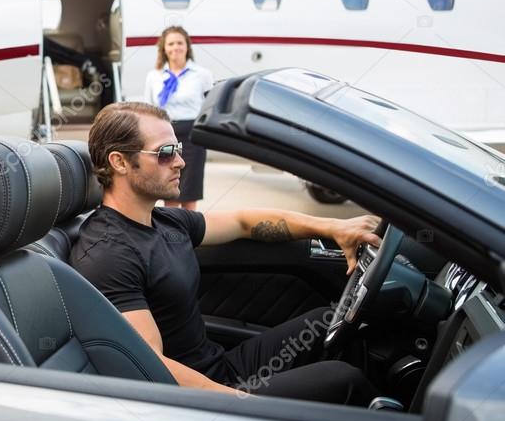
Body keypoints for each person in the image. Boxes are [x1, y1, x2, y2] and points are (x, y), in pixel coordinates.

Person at [71, 102, 381, 404]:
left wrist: (332, 227)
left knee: (333, 320)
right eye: (165, 153)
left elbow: (243, 222)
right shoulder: (108, 254)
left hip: (220, 370)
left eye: (178, 149)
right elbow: (150, 366)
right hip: (204, 397)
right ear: (119, 162)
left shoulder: (164, 220)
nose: (180, 162)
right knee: (343, 380)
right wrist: (237, 403)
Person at [142, 26, 212, 210]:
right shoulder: (154, 76)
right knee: (169, 186)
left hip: (192, 135)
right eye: (171, 43)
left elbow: (209, 106)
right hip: (164, 134)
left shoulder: (201, 74)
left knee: (190, 189)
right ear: (164, 48)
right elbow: (149, 108)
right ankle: (171, 233)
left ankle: (190, 233)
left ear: (187, 46)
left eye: (180, 43)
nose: (175, 47)